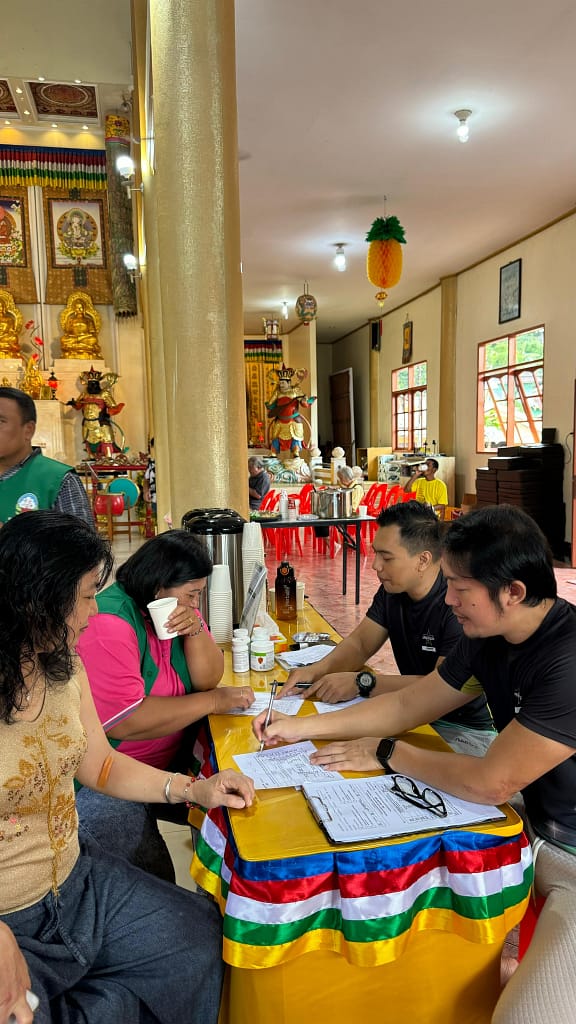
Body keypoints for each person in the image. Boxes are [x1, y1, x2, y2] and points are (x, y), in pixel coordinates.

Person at [254, 505, 576, 1024]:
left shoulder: (566, 660)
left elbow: (491, 782)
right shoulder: (486, 639)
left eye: (460, 588)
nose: (448, 600)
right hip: (531, 825)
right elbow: (409, 704)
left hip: (567, 852)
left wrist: (387, 752)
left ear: (513, 592)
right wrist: (297, 728)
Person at [0, 511, 254, 1024]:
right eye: (85, 595)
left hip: (74, 882)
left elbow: (101, 764)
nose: (93, 611)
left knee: (197, 934)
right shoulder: (107, 630)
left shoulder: (62, 666)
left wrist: (193, 789)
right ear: (36, 598)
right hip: (10, 914)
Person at [76, 529, 255, 879]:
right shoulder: (109, 623)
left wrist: (196, 630)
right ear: (158, 587)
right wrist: (212, 702)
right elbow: (126, 721)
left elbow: (208, 678)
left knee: (239, 807)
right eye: (192, 594)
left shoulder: (176, 612)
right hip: (111, 776)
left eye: (199, 595)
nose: (195, 604)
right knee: (150, 873)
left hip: (169, 759)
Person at [282, 501, 494, 752]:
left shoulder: (458, 607)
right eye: (375, 553)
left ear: (423, 560)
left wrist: (362, 683)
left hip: (459, 729)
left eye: (387, 557)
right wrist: (316, 670)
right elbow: (361, 644)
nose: (375, 565)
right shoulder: (393, 591)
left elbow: (436, 688)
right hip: (406, 713)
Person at [0, 386, 93, 527]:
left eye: (0, 422)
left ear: (28, 430)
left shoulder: (60, 480)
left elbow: (82, 541)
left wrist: (7, 535)